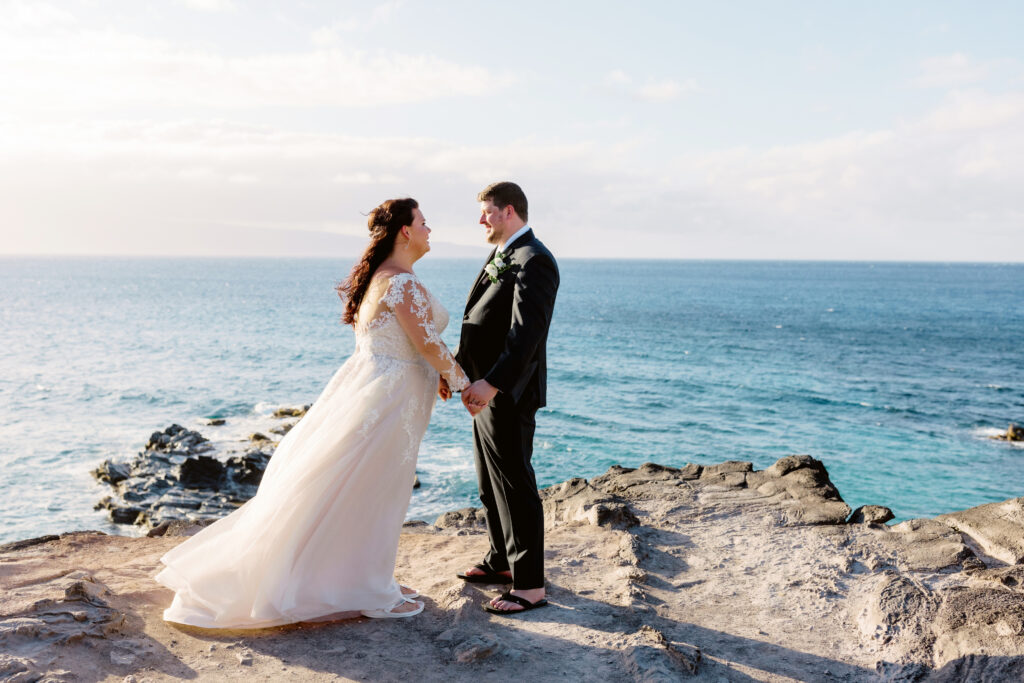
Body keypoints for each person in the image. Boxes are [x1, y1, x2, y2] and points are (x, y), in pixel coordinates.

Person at [155, 198, 469, 627]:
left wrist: (438, 377)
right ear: (405, 232)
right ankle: (358, 585)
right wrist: (466, 382)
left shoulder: (383, 278)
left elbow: (406, 345)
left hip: (378, 392)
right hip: (389, 401)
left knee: (361, 488)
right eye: (424, 222)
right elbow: (428, 344)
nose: (430, 230)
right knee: (375, 490)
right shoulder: (402, 284)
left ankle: (362, 577)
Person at [454, 181, 559, 615]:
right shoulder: (503, 255)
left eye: (487, 212)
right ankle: (501, 560)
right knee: (488, 480)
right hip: (482, 389)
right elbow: (481, 322)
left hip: (508, 392)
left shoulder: (535, 260)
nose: (481, 220)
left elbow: (525, 336)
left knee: (516, 484)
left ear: (508, 211)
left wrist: (491, 384)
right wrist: (458, 371)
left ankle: (530, 585)